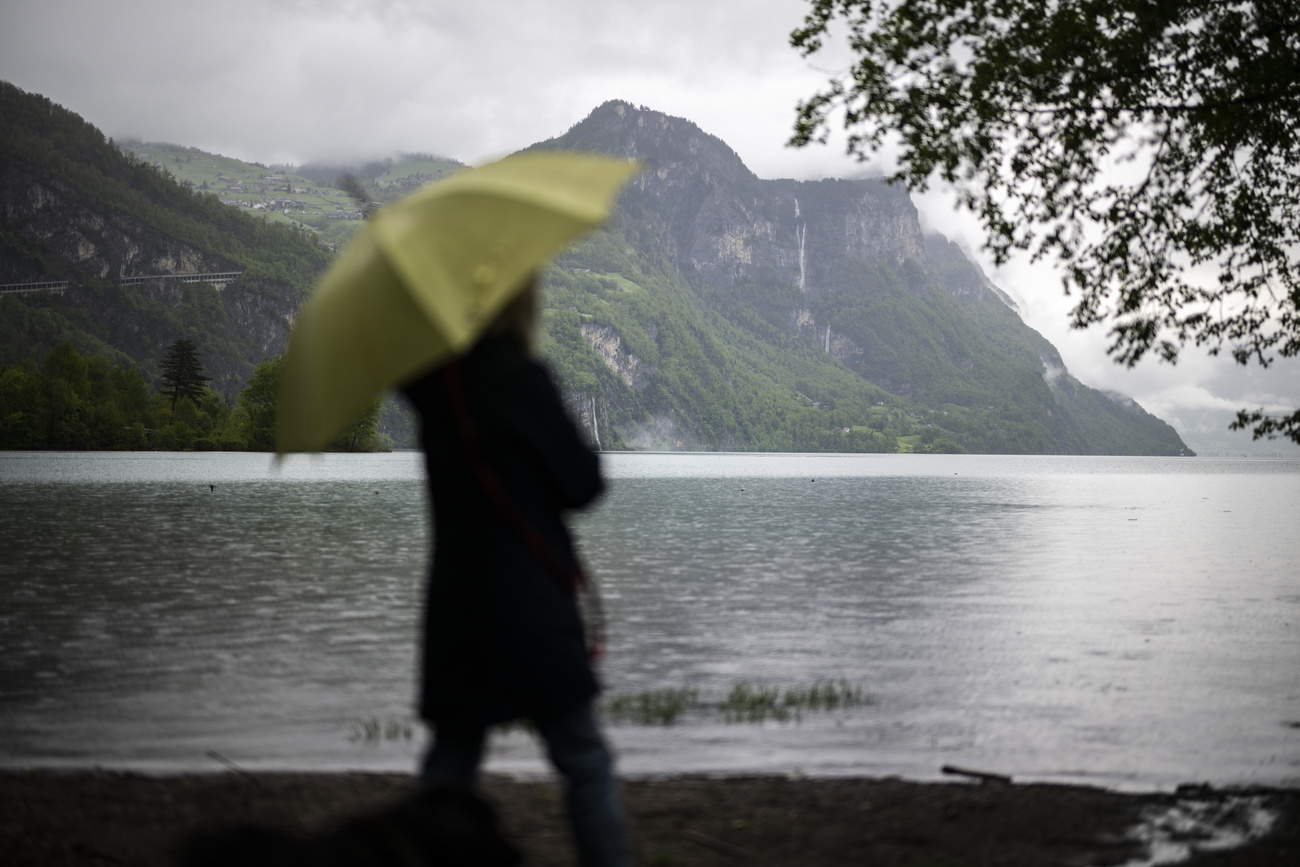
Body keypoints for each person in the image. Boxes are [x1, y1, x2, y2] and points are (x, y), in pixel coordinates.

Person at [400, 275, 629, 867]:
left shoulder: (433, 386)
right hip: (531, 607)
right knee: (584, 761)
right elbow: (584, 484)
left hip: (457, 608)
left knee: (449, 765)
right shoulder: (519, 378)